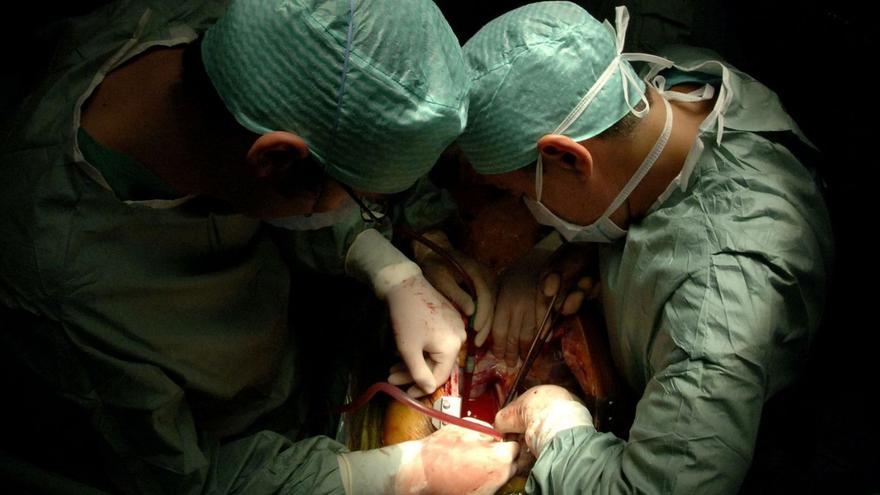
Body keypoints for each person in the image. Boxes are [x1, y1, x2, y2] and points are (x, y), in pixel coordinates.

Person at [0, 0, 516, 493]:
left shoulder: (250, 44)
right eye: (366, 203)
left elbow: (304, 176)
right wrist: (391, 476)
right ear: (275, 162)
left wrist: (392, 263)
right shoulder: (62, 291)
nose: (366, 215)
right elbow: (182, 480)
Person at [457, 2, 833, 493]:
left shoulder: (720, 303)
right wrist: (580, 246)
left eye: (521, 195)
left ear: (567, 157)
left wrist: (559, 428)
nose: (526, 211)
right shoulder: (664, 78)